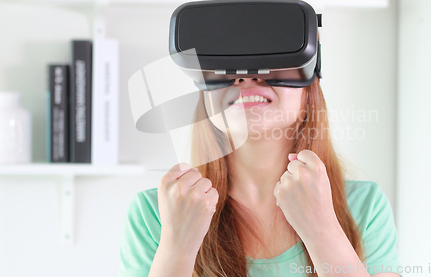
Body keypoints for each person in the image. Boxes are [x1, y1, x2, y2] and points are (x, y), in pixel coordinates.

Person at [118, 76, 402, 277]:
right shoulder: (155, 214)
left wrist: (323, 231)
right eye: (227, 65)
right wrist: (177, 248)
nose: (245, 76)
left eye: (273, 60)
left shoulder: (364, 206)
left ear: (309, 88)